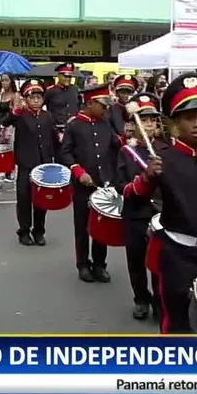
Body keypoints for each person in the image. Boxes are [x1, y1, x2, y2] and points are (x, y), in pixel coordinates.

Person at [129, 73, 197, 333]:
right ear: (176, 122)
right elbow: (133, 200)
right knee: (176, 322)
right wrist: (146, 178)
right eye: (189, 118)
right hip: (177, 256)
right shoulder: (162, 159)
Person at [60, 84, 122, 283]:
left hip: (104, 183)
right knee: (82, 227)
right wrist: (78, 171)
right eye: (102, 105)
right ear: (90, 103)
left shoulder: (105, 124)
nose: (106, 109)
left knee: (101, 226)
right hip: (83, 185)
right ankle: (83, 264)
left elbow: (116, 146)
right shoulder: (74, 125)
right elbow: (65, 152)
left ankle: (100, 264)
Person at [114, 93, 164, 320]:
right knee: (136, 261)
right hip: (135, 214)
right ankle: (141, 299)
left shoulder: (165, 149)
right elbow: (120, 185)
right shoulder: (126, 152)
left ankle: (160, 301)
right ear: (133, 124)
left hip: (160, 214)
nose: (149, 124)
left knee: (158, 262)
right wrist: (141, 183)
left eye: (152, 119)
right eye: (144, 119)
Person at [0, 79, 58, 246]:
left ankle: (39, 231)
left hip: (43, 163)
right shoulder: (21, 115)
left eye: (39, 97)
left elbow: (54, 136)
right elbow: (4, 122)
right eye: (32, 97)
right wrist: (16, 110)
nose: (36, 100)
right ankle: (24, 231)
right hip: (26, 163)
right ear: (26, 99)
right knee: (24, 198)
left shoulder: (47, 116)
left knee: (42, 200)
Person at [44, 63, 81, 152]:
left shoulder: (75, 90)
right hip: (57, 130)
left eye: (70, 76)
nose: (68, 79)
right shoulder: (50, 91)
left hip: (74, 129)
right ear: (59, 75)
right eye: (65, 76)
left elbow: (80, 106)